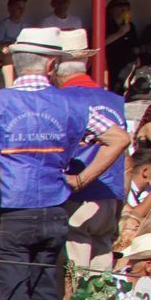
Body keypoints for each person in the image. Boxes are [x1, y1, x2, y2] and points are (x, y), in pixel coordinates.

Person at [0, 28, 130, 300]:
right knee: (47, 288)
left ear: (15, 63)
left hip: (12, 207)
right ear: (51, 64)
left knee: (14, 289)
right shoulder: (72, 104)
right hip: (55, 205)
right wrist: (79, 181)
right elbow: (119, 139)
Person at [53, 32, 130, 276]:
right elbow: (123, 154)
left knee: (74, 278)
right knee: (100, 279)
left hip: (77, 196)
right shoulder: (114, 100)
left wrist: (80, 180)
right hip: (109, 195)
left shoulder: (61, 99)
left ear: (54, 65)